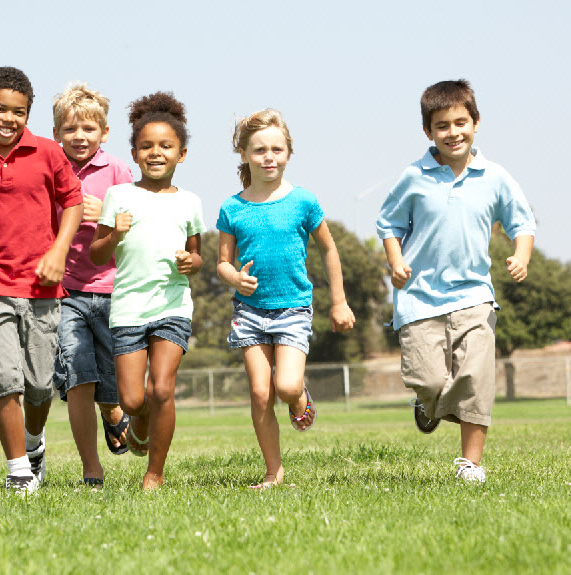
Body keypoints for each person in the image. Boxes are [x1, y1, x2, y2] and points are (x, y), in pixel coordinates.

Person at [376, 79, 536, 483]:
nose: (453, 132)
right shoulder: (414, 177)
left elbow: (522, 221)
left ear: (476, 123)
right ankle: (427, 405)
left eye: (461, 122)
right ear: (429, 131)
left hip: (474, 296)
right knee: (427, 379)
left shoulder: (494, 176)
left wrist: (521, 254)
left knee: (475, 378)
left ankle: (470, 464)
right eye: (442, 125)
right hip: (418, 299)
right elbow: (388, 223)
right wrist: (396, 263)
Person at [0, 67, 83, 493]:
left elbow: (73, 202)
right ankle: (18, 471)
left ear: (29, 114)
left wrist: (58, 253)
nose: (8, 118)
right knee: (3, 376)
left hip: (42, 284)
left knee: (40, 384)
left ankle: (33, 441)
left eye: (18, 112)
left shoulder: (48, 153)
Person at [216, 109, 355, 489]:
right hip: (249, 311)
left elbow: (329, 250)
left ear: (288, 153)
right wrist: (235, 278)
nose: (269, 157)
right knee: (261, 394)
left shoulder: (303, 202)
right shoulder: (232, 208)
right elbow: (222, 264)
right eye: (259, 150)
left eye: (277, 149)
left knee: (286, 387)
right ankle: (273, 472)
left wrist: (339, 302)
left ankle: (299, 399)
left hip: (293, 308)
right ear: (243, 153)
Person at [90, 92, 205, 491]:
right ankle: (137, 426)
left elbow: (196, 255)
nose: (156, 153)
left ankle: (154, 473)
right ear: (135, 153)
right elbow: (96, 252)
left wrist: (193, 264)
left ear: (182, 154)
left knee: (162, 389)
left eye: (166, 146)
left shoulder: (190, 202)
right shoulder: (119, 196)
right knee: (134, 400)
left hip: (173, 305)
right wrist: (115, 231)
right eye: (147, 146)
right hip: (127, 309)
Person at [50, 84, 135, 487]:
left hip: (115, 290)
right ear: (56, 134)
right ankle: (91, 467)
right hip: (66, 292)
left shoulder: (117, 170)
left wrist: (109, 213)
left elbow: (138, 222)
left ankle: (113, 411)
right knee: (78, 376)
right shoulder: (49, 168)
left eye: (88, 128)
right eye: (69, 129)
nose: (79, 136)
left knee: (112, 382)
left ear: (104, 132)